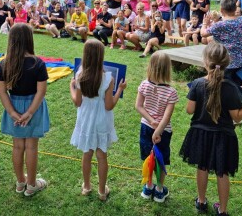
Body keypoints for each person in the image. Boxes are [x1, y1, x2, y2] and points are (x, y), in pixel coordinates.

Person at [180, 43, 242, 216]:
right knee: (222, 173)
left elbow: (189, 110)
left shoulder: (197, 84)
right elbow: (237, 117)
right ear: (227, 62)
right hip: (223, 136)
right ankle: (222, 210)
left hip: (200, 134)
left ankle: (201, 201)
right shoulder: (230, 87)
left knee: (202, 167)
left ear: (205, 62)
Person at [70, 39, 126, 201]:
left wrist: (71, 87)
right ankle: (102, 191)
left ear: (85, 56)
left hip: (86, 119)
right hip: (102, 119)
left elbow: (77, 102)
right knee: (102, 156)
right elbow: (109, 106)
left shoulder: (79, 75)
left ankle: (87, 187)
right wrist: (119, 90)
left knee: (87, 154)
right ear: (101, 56)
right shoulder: (108, 78)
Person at [0, 24, 49, 196]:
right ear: (29, 39)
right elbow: (41, 92)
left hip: (14, 107)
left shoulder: (4, 64)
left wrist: (12, 112)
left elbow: (1, 91)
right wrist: (29, 113)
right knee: (31, 147)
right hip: (33, 107)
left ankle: (21, 182)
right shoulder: (38, 63)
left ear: (11, 40)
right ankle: (31, 185)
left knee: (18, 147)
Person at [136, 52, 178, 202]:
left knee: (149, 157)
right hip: (163, 131)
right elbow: (167, 117)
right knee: (160, 159)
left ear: (151, 66)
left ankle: (148, 187)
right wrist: (158, 130)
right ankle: (159, 190)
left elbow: (139, 106)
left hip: (146, 127)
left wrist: (151, 121)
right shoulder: (171, 92)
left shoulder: (144, 85)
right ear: (168, 69)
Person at [200, 0, 242, 97]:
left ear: (221, 10)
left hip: (224, 64)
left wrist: (205, 24)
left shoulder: (220, 25)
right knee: (238, 90)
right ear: (235, 8)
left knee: (223, 91)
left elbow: (203, 34)